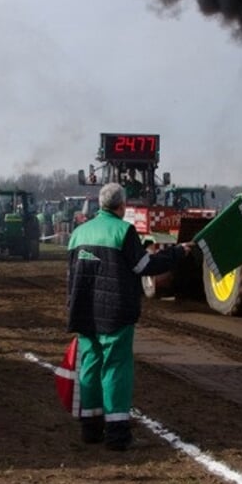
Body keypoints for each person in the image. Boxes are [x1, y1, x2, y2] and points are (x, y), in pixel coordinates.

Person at [66, 182, 191, 451]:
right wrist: (177, 252)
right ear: (121, 206)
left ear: (100, 204)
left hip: (84, 311)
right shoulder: (124, 231)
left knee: (90, 366)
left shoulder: (78, 233)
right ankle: (117, 434)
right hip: (114, 313)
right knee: (115, 368)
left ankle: (90, 429)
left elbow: (71, 275)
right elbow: (145, 266)